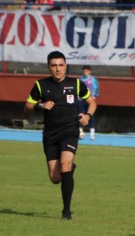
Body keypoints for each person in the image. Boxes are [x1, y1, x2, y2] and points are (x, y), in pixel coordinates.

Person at [24, 51, 97, 220]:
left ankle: (66, 212)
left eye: (61, 65)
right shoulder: (40, 85)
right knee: (55, 178)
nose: (58, 69)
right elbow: (27, 106)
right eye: (54, 66)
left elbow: (92, 102)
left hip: (70, 132)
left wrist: (87, 116)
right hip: (50, 134)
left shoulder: (76, 84)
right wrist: (40, 106)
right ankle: (69, 170)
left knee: (65, 164)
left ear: (66, 66)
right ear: (49, 67)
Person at [79, 65, 99, 140]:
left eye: (87, 70)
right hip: (81, 100)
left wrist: (94, 96)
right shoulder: (81, 79)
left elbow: (96, 88)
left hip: (90, 100)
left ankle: (92, 134)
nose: (85, 72)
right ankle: (81, 132)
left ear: (89, 71)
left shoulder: (92, 79)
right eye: (84, 71)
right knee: (81, 115)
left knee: (91, 115)